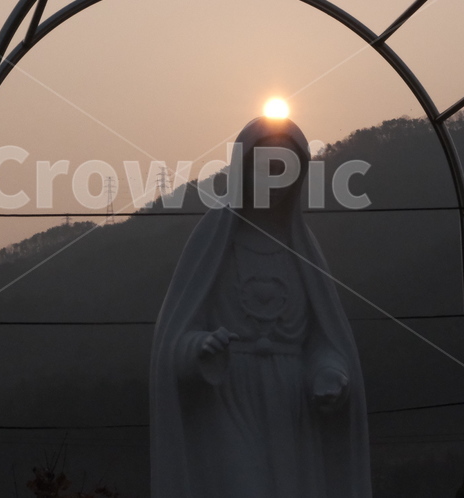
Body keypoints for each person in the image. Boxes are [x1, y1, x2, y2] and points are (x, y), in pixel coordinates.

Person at [150, 115, 371, 498]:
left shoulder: (304, 252)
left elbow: (322, 339)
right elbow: (177, 337)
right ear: (245, 170)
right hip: (229, 402)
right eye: (268, 169)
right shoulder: (213, 242)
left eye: (286, 170)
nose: (277, 181)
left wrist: (329, 371)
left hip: (292, 412)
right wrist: (200, 349)